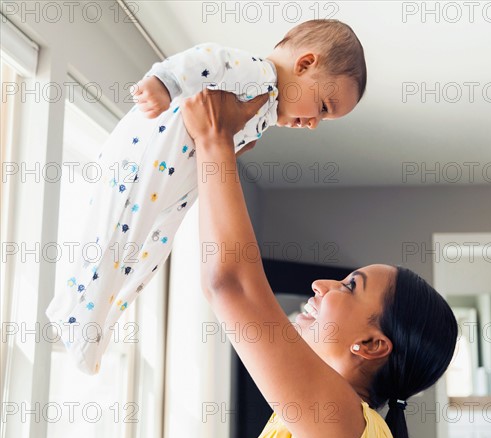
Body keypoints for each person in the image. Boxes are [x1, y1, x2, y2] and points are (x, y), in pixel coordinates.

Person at [45, 19, 367, 375]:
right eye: (322, 107)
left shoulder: (263, 111)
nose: (314, 123)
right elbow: (207, 59)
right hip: (145, 163)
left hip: (174, 187)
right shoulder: (257, 74)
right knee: (118, 240)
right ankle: (76, 318)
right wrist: (163, 82)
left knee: (148, 255)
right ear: (305, 64)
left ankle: (97, 328)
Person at [179, 89, 459, 438]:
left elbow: (230, 284)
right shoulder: (320, 423)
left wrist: (213, 139)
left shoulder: (344, 423)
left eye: (349, 287)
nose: (320, 284)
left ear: (371, 344)